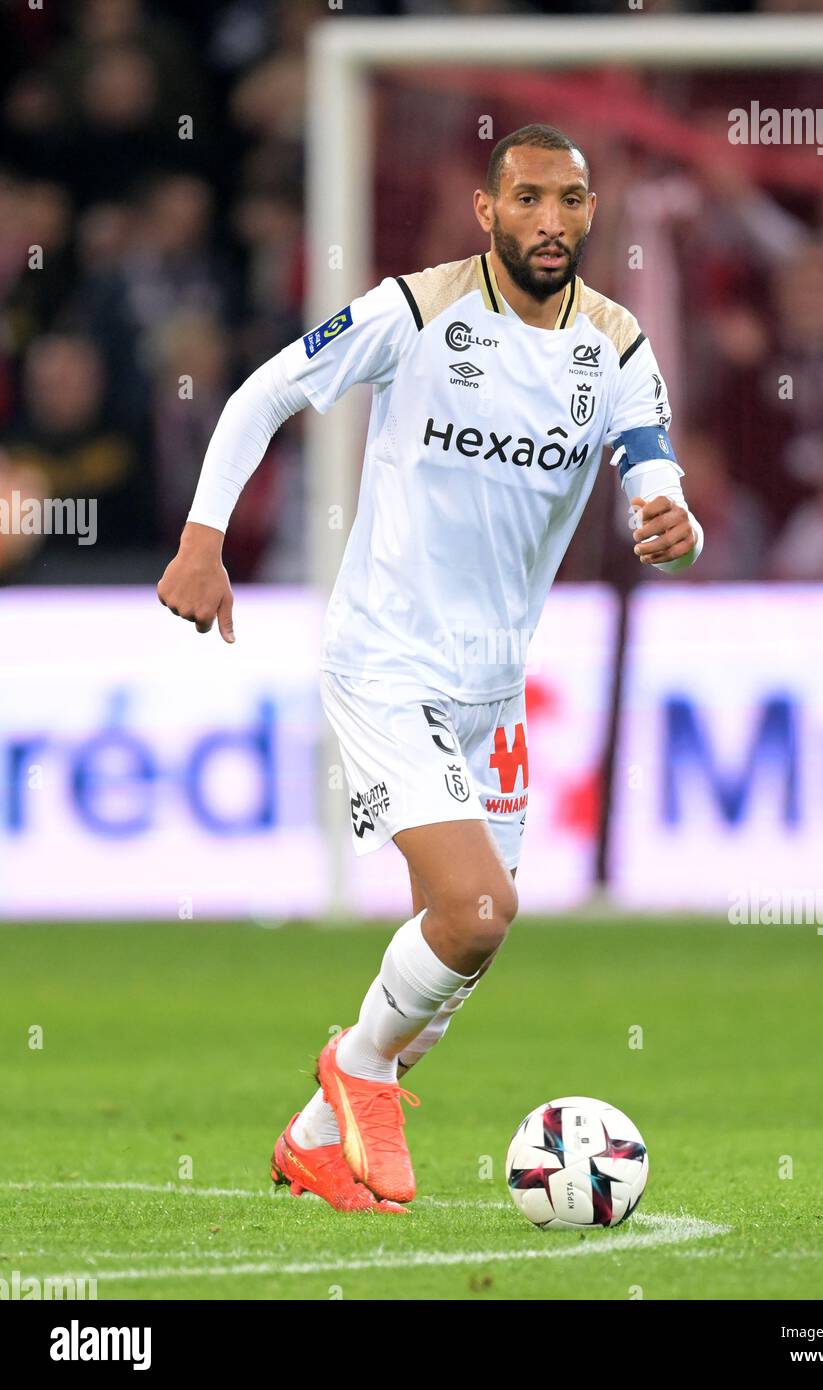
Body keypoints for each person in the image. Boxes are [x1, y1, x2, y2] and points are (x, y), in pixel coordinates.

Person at [156, 124, 704, 1214]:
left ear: (592, 214)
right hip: (385, 659)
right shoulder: (417, 310)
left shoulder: (617, 341)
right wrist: (203, 538)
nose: (551, 221)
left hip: (495, 690)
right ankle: (355, 1074)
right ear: (486, 210)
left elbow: (654, 468)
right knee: (478, 910)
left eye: (572, 201)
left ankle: (316, 1139)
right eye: (530, 199)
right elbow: (264, 391)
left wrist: (672, 518)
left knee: (451, 975)